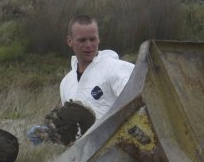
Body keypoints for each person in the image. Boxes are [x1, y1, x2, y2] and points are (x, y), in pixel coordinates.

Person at [28, 15, 134, 145]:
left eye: (92, 39)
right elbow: (72, 131)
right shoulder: (66, 84)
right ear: (70, 41)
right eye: (82, 40)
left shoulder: (116, 69)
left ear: (98, 39)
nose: (88, 45)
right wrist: (50, 133)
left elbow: (139, 105)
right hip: (87, 159)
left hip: (121, 152)